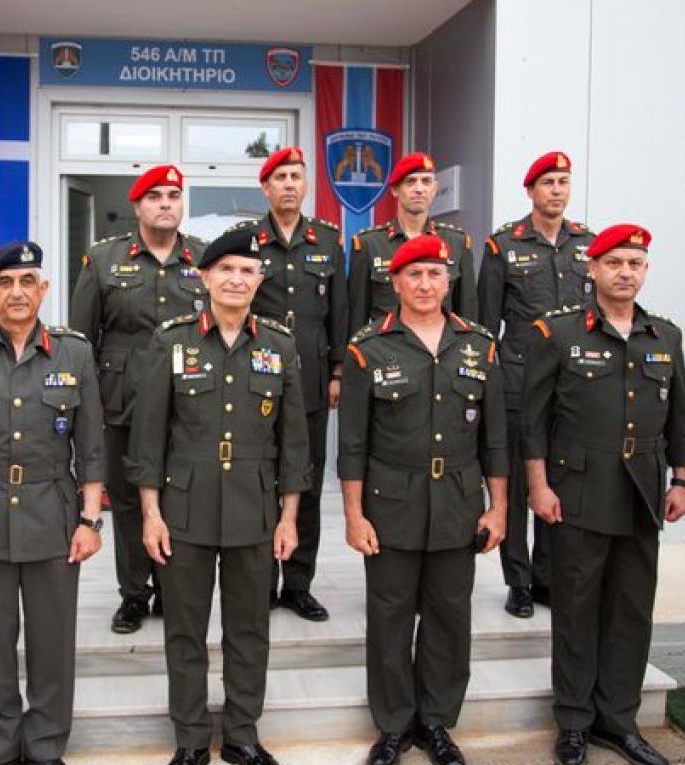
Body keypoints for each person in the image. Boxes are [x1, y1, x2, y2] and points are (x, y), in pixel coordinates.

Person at [127, 227, 310, 765]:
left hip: (255, 508)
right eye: (225, 269)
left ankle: (241, 734)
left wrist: (289, 518)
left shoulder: (278, 345)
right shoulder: (172, 341)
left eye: (247, 270)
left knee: (249, 628)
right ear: (203, 277)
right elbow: (147, 439)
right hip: (184, 508)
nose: (236, 279)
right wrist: (151, 515)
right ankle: (189, 738)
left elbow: (294, 444)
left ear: (260, 279)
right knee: (185, 630)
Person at [520, 224, 685, 765]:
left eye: (635, 264)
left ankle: (618, 722)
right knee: (576, 611)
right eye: (614, 262)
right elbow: (533, 421)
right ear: (592, 269)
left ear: (645, 271)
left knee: (631, 612)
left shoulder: (665, 336)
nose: (625, 273)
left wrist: (681, 479)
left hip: (641, 493)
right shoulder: (557, 333)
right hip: (576, 493)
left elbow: (679, 417)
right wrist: (538, 485)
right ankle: (574, 722)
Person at [0, 240, 106, 765]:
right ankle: (5, 734)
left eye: (27, 281)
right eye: (5, 283)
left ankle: (47, 741)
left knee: (52, 637)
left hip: (53, 512)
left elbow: (91, 447)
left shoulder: (74, 352)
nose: (17, 292)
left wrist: (90, 520)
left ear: (43, 289)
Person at [339, 234, 508, 765]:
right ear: (394, 282)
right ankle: (393, 724)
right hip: (391, 504)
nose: (425, 284)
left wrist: (498, 506)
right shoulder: (368, 347)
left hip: (458, 503)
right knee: (389, 617)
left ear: (450, 279)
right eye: (414, 274)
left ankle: (436, 721)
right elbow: (352, 444)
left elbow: (495, 439)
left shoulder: (479, 346)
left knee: (449, 616)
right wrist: (353, 515)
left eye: (435, 273)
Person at [69, 164, 208, 634]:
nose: (165, 203)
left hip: (188, 400)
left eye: (173, 195)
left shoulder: (203, 258)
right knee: (128, 501)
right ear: (137, 206)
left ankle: (172, 591)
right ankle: (133, 594)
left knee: (179, 497)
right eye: (155, 196)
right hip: (121, 401)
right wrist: (87, 407)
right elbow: (82, 341)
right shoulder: (103, 259)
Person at [476, 151, 596, 619]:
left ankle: (547, 577)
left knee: (557, 480)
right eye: (548, 182)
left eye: (563, 181)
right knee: (516, 485)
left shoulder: (587, 245)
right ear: (531, 191)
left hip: (570, 387)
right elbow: (486, 325)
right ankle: (519, 581)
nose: (557, 190)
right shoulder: (504, 245)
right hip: (518, 381)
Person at [242, 146, 346, 621]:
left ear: (305, 185)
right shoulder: (248, 240)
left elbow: (339, 312)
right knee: (263, 482)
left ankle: (299, 584)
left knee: (304, 483)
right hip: (259, 381)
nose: (288, 184)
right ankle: (262, 584)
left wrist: (338, 371)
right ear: (265, 187)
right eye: (280, 177)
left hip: (312, 381)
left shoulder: (328, 240)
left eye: (295, 177)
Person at [347, 152, 477, 335]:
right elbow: (356, 319)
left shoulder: (456, 242)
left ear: (435, 188)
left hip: (440, 348)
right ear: (395, 190)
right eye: (411, 181)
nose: (419, 189)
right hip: (387, 348)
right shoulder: (369, 244)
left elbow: (467, 315)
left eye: (426, 181)